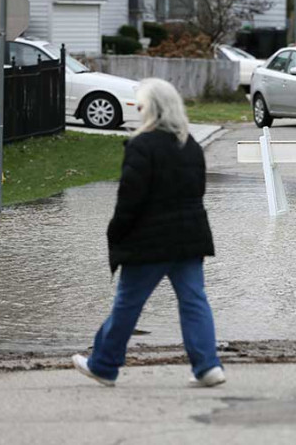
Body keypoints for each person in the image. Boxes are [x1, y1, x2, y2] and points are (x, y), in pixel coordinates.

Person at [73, 78, 224, 388]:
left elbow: (130, 197)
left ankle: (103, 365)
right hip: (189, 238)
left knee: (128, 304)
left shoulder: (142, 146)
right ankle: (208, 366)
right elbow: (199, 190)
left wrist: (116, 233)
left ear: (153, 109)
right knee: (194, 301)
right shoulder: (190, 144)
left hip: (149, 242)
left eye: (141, 105)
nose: (138, 110)